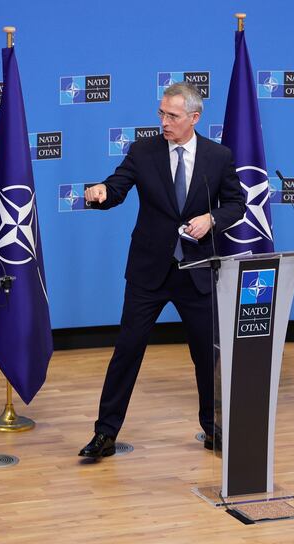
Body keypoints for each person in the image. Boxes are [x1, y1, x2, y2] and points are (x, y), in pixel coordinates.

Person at [78, 82, 245, 458]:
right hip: (149, 271)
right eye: (162, 113)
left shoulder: (218, 157)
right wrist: (100, 192)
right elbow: (117, 187)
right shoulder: (143, 150)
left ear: (194, 118)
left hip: (196, 270)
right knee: (127, 350)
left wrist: (212, 219)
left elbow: (237, 204)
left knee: (206, 355)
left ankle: (213, 428)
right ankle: (105, 433)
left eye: (172, 116)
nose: (164, 122)